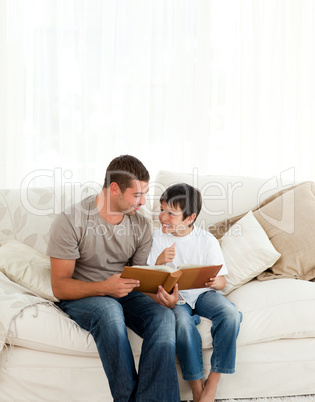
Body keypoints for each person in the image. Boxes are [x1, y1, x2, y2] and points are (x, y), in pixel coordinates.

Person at [47, 155, 180, 402]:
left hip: (125, 291)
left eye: (146, 194)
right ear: (115, 189)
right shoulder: (70, 221)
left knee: (163, 317)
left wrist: (162, 295)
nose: (143, 202)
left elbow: (140, 278)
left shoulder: (140, 225)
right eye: (137, 195)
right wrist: (103, 287)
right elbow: (59, 286)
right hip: (84, 294)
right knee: (109, 310)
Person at [147, 183, 242, 402]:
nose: (163, 217)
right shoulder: (157, 238)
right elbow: (149, 276)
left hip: (202, 294)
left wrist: (213, 281)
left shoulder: (206, 240)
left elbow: (222, 281)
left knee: (230, 314)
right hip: (176, 298)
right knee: (182, 324)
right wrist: (160, 261)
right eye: (162, 210)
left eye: (171, 213)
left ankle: (213, 383)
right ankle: (197, 388)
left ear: (190, 218)